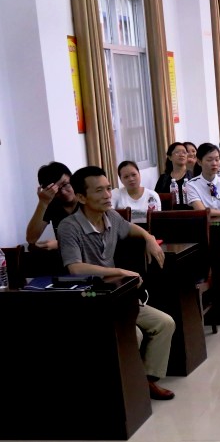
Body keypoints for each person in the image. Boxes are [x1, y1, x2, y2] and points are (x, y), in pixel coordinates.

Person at [57, 166, 175, 400]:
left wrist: (149, 238)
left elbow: (133, 229)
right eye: (99, 191)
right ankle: (126, 389)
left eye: (108, 188)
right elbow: (75, 268)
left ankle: (147, 380)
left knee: (165, 323)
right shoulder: (69, 227)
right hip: (91, 299)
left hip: (119, 296)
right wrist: (119, 271)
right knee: (134, 335)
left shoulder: (111, 217)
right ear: (81, 197)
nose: (107, 195)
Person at [27, 162, 78, 248]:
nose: (63, 192)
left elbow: (97, 240)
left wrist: (61, 244)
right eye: (56, 190)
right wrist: (42, 203)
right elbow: (31, 238)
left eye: (65, 184)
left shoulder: (88, 199)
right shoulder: (53, 203)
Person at [184, 143, 220, 219]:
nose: (214, 163)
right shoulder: (192, 185)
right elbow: (203, 212)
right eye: (209, 160)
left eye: (217, 159)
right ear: (199, 162)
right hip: (205, 225)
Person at [155, 142, 194, 207]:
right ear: (170, 157)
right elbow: (156, 199)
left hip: (191, 212)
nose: (181, 155)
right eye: (177, 152)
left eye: (184, 152)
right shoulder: (163, 178)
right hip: (168, 212)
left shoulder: (193, 176)